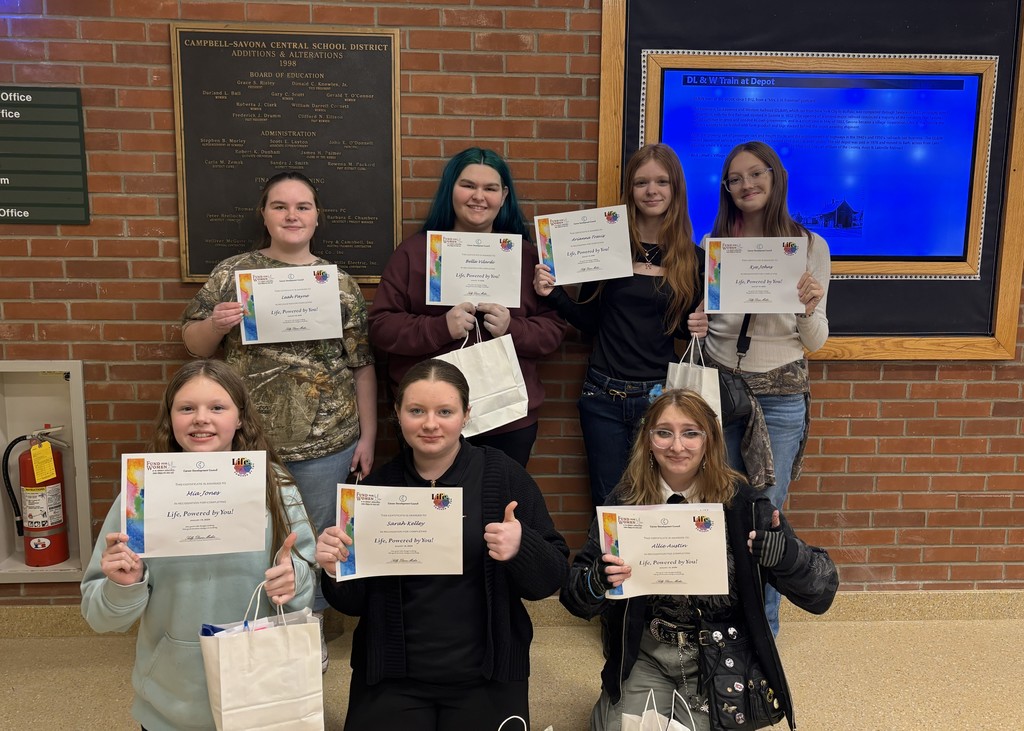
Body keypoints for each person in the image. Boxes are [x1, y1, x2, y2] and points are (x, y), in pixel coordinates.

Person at [180, 170, 376, 665]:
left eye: (303, 206)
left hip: (327, 442)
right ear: (264, 214)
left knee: (314, 540)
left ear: (317, 217)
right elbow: (192, 344)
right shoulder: (232, 274)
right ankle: (255, 628)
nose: (292, 215)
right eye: (281, 206)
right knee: (252, 536)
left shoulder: (340, 284)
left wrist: (368, 437)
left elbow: (362, 365)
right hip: (246, 442)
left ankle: (305, 632)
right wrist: (214, 323)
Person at [561, 389, 839, 731]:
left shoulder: (746, 507)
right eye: (664, 433)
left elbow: (823, 592)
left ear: (710, 440)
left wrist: (787, 558)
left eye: (690, 433)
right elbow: (574, 597)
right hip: (647, 654)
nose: (677, 446)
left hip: (720, 656)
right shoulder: (625, 503)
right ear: (648, 441)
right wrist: (597, 581)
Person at [314, 358, 570, 730]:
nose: (430, 424)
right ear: (398, 415)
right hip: (392, 677)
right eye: (416, 410)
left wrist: (521, 548)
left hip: (486, 675)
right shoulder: (374, 493)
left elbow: (551, 578)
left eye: (445, 411)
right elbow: (352, 604)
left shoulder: (503, 477)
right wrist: (335, 569)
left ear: (466, 415)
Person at [80, 359, 317, 731]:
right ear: (170, 418)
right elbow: (99, 617)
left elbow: (304, 583)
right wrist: (124, 586)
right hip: (171, 706)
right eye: (186, 408)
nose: (201, 419)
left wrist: (295, 579)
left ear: (240, 418)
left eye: (217, 407)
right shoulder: (140, 495)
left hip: (264, 695)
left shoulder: (275, 486)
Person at [700, 141, 831, 636]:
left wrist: (808, 307)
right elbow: (711, 326)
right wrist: (697, 321)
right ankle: (720, 629)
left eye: (756, 174)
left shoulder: (810, 246)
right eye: (735, 178)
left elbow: (814, 342)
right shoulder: (715, 243)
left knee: (765, 517)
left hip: (780, 397)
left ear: (775, 178)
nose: (745, 185)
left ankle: (764, 635)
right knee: (715, 508)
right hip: (720, 391)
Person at [534, 142, 706, 507]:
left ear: (676, 189)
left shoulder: (693, 259)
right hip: (603, 396)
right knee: (610, 504)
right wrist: (553, 294)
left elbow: (677, 332)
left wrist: (697, 325)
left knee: (660, 502)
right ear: (629, 189)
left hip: (661, 400)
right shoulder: (607, 245)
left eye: (662, 182)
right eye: (642, 182)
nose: (652, 191)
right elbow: (591, 321)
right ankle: (609, 567)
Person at [369, 147, 566, 467]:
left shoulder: (527, 257)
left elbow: (553, 331)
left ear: (503, 196)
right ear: (451, 190)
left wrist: (511, 329)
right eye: (468, 186)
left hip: (507, 417)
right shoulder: (415, 253)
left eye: (489, 188)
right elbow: (381, 326)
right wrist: (439, 327)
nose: (478, 196)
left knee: (499, 507)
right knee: (436, 511)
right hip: (432, 419)